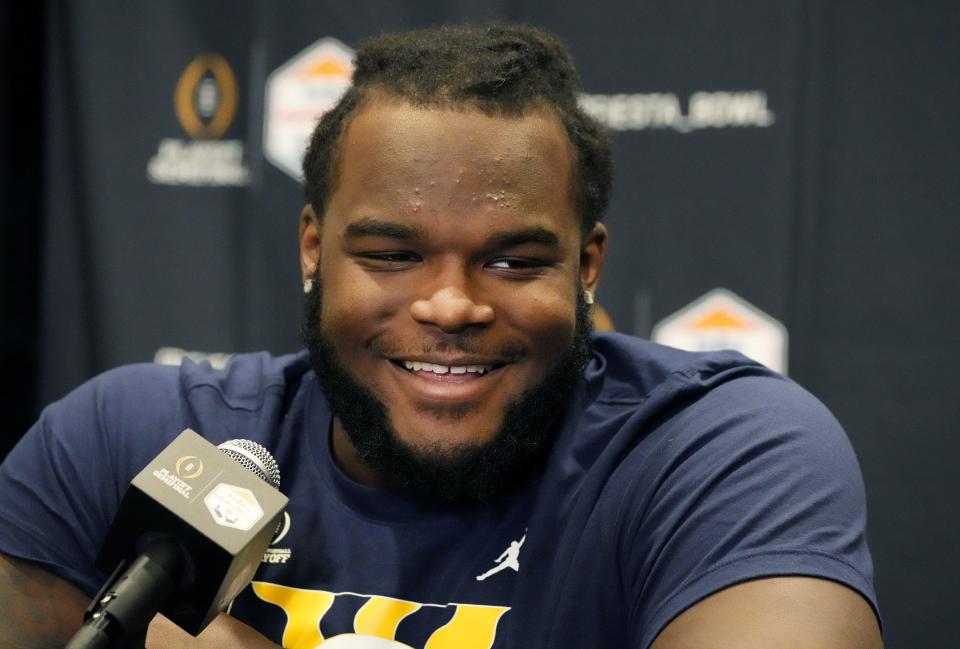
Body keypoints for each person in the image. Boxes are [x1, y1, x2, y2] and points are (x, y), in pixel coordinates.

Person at [0, 23, 882, 649]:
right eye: (393, 252)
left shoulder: (714, 451)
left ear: (588, 267)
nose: (451, 305)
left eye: (511, 261)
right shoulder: (135, 438)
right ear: (314, 246)